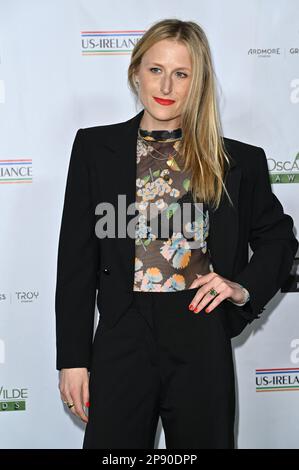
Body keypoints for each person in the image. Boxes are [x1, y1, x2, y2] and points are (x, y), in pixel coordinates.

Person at [55, 18, 298, 449]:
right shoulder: (95, 148)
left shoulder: (236, 160)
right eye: (155, 69)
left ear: (197, 81)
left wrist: (243, 288)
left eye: (181, 73)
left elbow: (279, 238)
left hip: (199, 331)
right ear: (136, 72)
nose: (166, 84)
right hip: (121, 333)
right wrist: (73, 359)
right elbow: (75, 261)